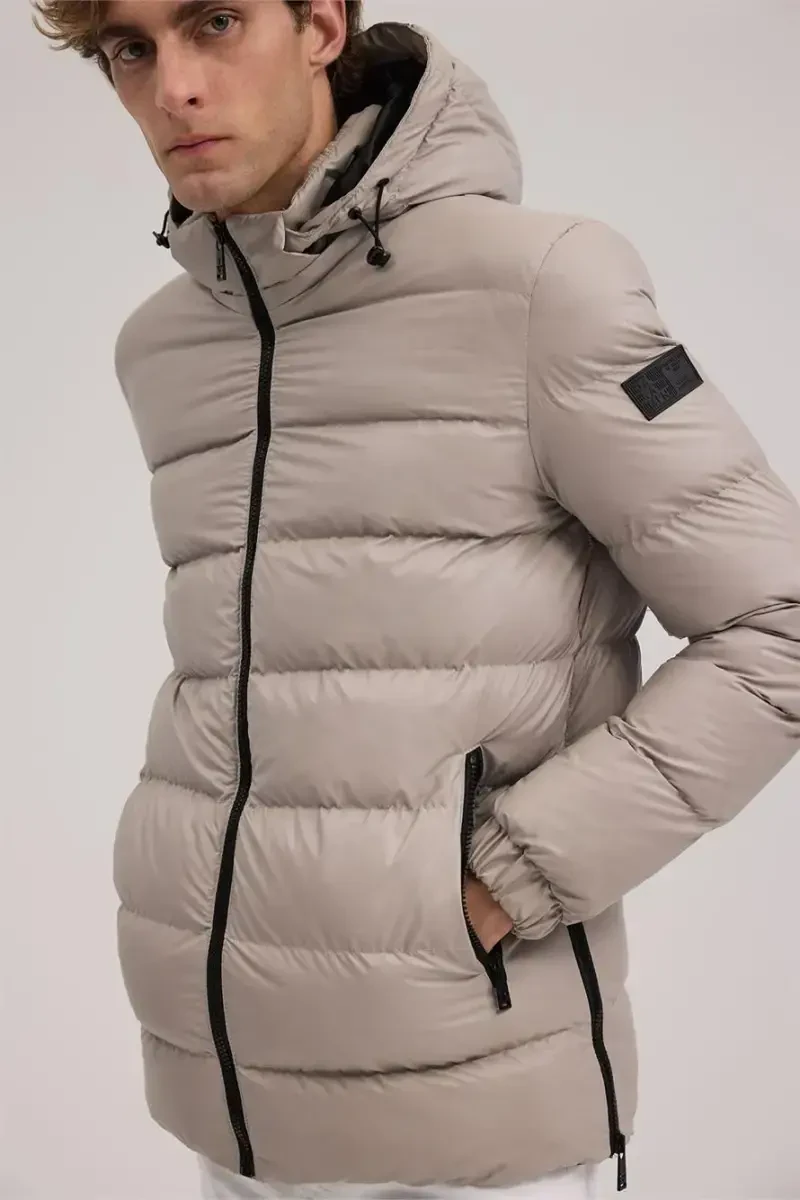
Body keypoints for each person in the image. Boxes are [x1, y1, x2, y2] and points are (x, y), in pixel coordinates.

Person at [32, 2, 800, 1198]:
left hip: (475, 1108)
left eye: (214, 22)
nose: (172, 86)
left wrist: (509, 873)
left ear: (320, 25)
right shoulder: (166, 344)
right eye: (129, 48)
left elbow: (776, 625)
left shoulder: (541, 286)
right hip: (223, 1089)